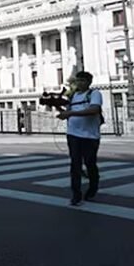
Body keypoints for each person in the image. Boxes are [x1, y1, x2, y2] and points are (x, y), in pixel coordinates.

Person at [56, 71, 102, 206]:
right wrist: (57, 106)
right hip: (73, 134)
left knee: (90, 163)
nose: (79, 83)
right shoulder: (73, 96)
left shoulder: (94, 94)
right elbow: (67, 112)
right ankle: (76, 195)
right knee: (75, 165)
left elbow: (94, 110)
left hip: (90, 135)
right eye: (77, 80)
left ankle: (92, 189)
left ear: (89, 82)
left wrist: (70, 113)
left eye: (82, 80)